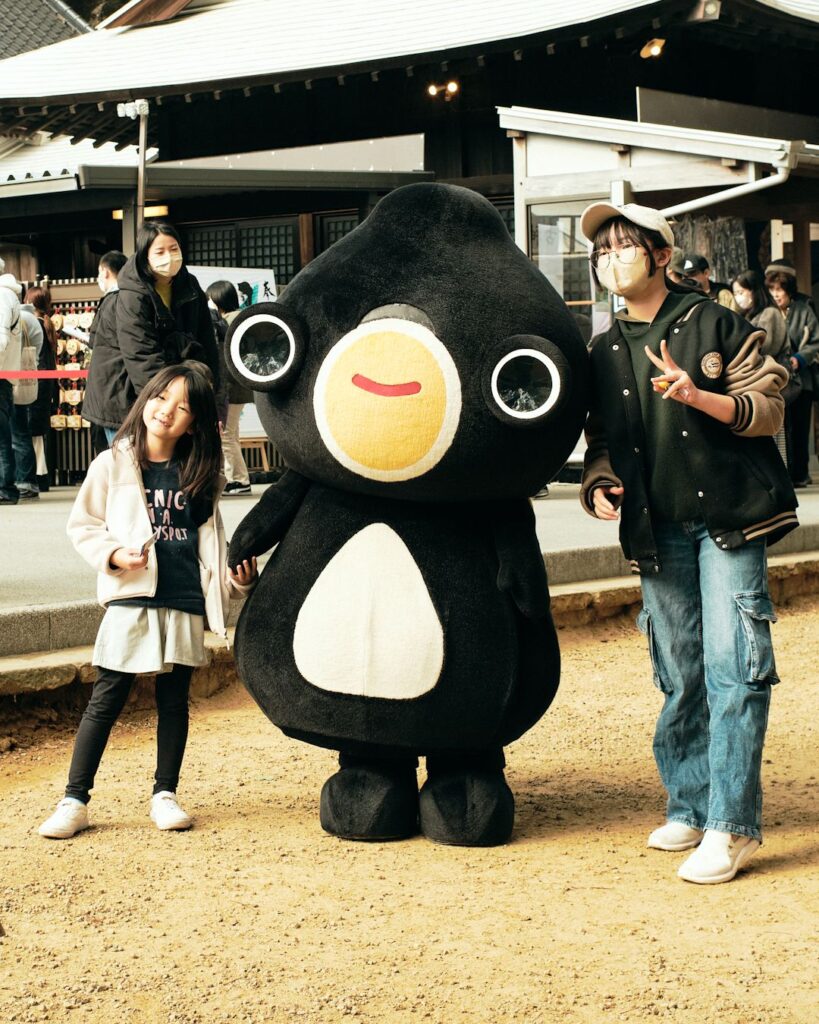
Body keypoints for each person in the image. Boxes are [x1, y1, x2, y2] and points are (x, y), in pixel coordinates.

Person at [579, 201, 797, 885]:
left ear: (662, 255)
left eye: (625, 245)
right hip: (656, 528)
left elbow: (769, 409)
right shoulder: (603, 348)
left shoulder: (715, 322)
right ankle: (691, 804)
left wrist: (698, 395)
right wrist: (600, 482)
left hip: (728, 520)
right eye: (602, 250)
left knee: (736, 668)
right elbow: (602, 439)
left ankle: (732, 826)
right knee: (678, 671)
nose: (612, 259)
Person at [38, 362, 258, 839]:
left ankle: (165, 794)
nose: (167, 411)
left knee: (174, 701)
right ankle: (74, 800)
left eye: (183, 407)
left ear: (194, 423)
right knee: (107, 697)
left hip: (183, 599)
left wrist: (238, 584)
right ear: (146, 400)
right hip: (131, 596)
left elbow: (209, 548)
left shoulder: (201, 475)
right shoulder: (112, 463)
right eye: (161, 398)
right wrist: (115, 555)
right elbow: (83, 525)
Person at [109, 223, 219, 440]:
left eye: (174, 249)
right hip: (128, 395)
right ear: (145, 257)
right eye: (160, 252)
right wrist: (166, 404)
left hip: (173, 396)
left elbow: (206, 341)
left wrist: (207, 396)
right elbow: (141, 355)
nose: (169, 257)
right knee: (133, 458)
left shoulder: (190, 285)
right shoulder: (133, 294)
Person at [765, 265, 819, 488]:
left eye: (780, 289)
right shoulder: (767, 312)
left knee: (800, 425)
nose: (776, 294)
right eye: (772, 290)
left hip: (801, 378)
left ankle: (801, 473)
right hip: (775, 379)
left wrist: (800, 358)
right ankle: (783, 473)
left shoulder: (803, 310)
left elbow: (815, 341)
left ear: (789, 290)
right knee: (779, 428)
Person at [731, 270, 790, 463]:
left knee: (771, 439)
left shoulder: (769, 314)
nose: (738, 297)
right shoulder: (750, 315)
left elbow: (763, 347)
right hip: (759, 384)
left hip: (767, 382)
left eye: (741, 291)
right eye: (735, 293)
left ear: (754, 290)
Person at [206, 280, 253, 495]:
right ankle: (238, 479)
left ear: (218, 299)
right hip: (238, 387)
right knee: (231, 435)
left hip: (231, 388)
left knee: (225, 435)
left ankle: (239, 480)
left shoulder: (229, 321)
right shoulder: (238, 319)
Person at [83, 251, 129, 446]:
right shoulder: (126, 299)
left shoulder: (114, 301)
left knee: (120, 452)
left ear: (104, 271)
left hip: (112, 389)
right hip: (116, 390)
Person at [23, 285, 60, 490]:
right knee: (38, 435)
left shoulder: (32, 325)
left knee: (30, 434)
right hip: (46, 385)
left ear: (30, 301)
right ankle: (42, 476)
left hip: (35, 384)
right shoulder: (47, 325)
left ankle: (37, 477)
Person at [11, 295, 45, 500]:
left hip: (13, 380)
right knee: (21, 431)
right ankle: (26, 480)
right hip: (25, 380)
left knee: (17, 433)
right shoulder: (32, 319)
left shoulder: (19, 318)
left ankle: (24, 480)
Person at [0, 261, 23, 504]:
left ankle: (6, 488)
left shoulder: (2, 297)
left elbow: (0, 339)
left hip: (1, 377)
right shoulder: (7, 296)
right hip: (4, 376)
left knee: (2, 439)